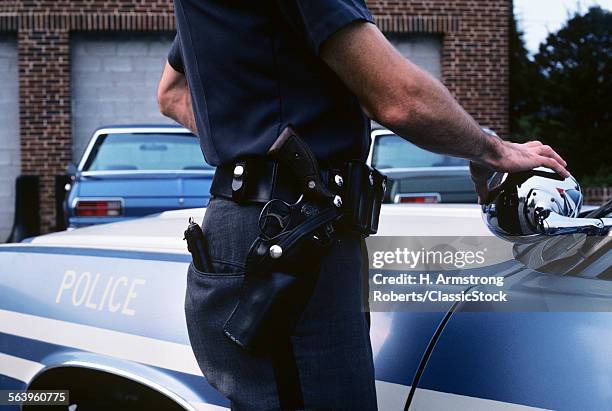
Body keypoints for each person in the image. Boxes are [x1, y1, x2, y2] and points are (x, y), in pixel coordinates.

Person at [158, 1, 569, 410]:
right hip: (291, 238)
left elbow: (171, 93)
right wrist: (493, 150)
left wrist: (249, 149)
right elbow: (398, 98)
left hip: (252, 231)